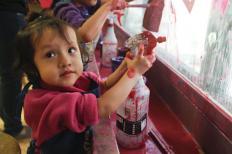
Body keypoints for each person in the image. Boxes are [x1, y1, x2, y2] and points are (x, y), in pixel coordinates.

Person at [14, 14, 156, 154]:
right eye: (50, 54)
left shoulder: (74, 80)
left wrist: (126, 66)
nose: (66, 61)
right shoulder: (49, 102)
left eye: (71, 50)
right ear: (32, 67)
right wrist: (135, 73)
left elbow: (105, 85)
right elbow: (103, 106)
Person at [0, 0, 31, 139]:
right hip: (9, 13)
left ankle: (9, 120)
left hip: (8, 13)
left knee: (7, 73)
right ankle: (13, 127)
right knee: (12, 73)